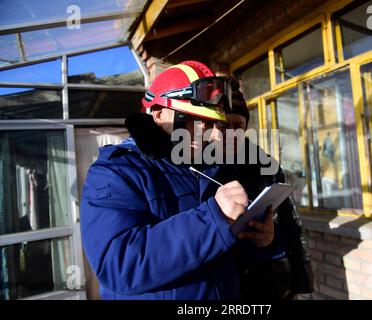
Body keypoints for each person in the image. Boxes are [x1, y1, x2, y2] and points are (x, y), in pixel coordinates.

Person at [80, 61, 275, 300]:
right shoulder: (116, 171)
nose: (211, 133)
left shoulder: (208, 165)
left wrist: (262, 240)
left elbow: (220, 254)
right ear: (159, 113)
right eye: (195, 119)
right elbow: (118, 266)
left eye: (214, 122)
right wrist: (212, 219)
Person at [210, 79, 314, 299]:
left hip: (266, 279)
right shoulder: (197, 167)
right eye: (223, 126)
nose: (230, 133)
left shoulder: (266, 165)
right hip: (218, 282)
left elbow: (290, 222)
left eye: (237, 126)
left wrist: (300, 277)